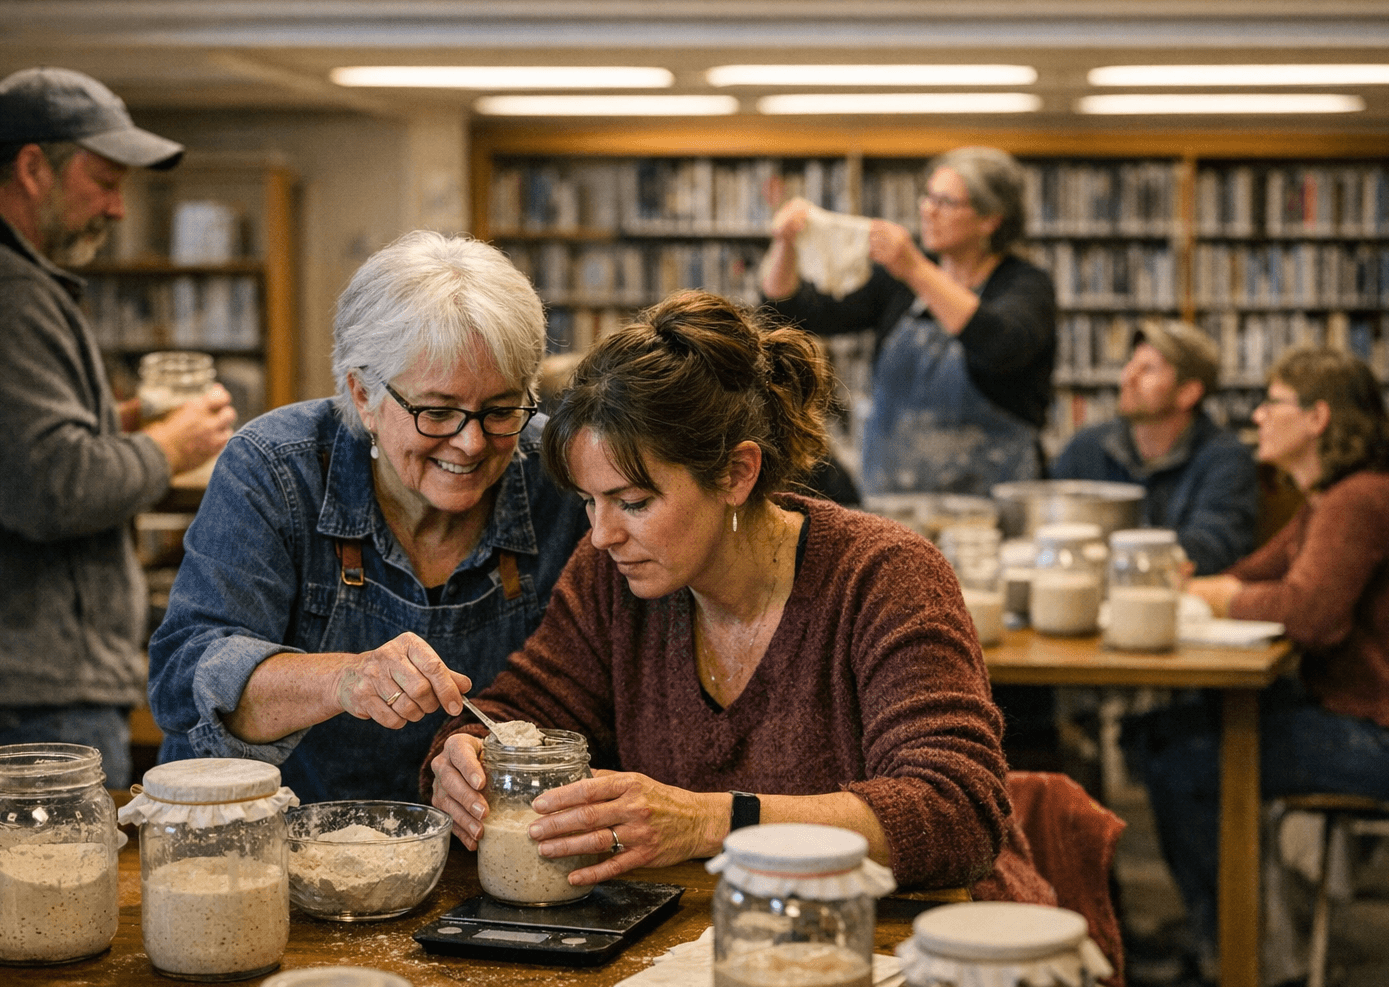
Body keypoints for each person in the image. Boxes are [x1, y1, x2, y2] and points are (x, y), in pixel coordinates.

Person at [420, 289, 1053, 902]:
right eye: (590, 501)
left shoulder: (881, 577)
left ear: (736, 473)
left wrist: (706, 821)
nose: (602, 533)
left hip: (926, 942)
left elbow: (956, 815)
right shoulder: (611, 576)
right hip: (723, 935)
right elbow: (520, 713)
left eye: (634, 502)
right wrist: (466, 759)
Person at [146, 231, 589, 805]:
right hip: (270, 837)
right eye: (437, 411)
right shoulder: (276, 468)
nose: (472, 442)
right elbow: (186, 676)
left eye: (501, 408)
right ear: (363, 395)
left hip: (475, 844)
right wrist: (342, 679)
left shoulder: (557, 474)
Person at [0, 67, 235, 789]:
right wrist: (171, 446)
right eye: (104, 180)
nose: (117, 209)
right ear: (31, 168)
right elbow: (52, 490)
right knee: (52, 895)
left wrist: (117, 424)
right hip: (18, 692)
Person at [1125, 346, 1389, 987]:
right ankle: (1239, 942)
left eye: (1274, 401)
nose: (1258, 415)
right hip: (1372, 717)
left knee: (1180, 757)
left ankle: (1245, 966)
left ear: (1318, 416)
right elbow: (1257, 574)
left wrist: (1208, 597)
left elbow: (1310, 615)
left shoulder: (1359, 501)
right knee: (1157, 738)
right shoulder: (1334, 497)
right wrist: (1198, 584)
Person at [760, 146, 1057, 497]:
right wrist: (784, 244)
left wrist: (914, 268)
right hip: (894, 502)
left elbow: (1000, 344)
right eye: (927, 197)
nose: (928, 210)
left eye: (945, 202)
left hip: (992, 509)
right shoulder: (899, 282)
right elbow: (790, 313)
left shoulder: (1026, 285)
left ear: (990, 219)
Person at [1052, 319, 1257, 575]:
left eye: (1147, 369)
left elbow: (1210, 549)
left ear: (1188, 393)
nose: (1128, 377)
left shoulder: (1226, 458)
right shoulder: (1086, 448)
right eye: (1131, 364)